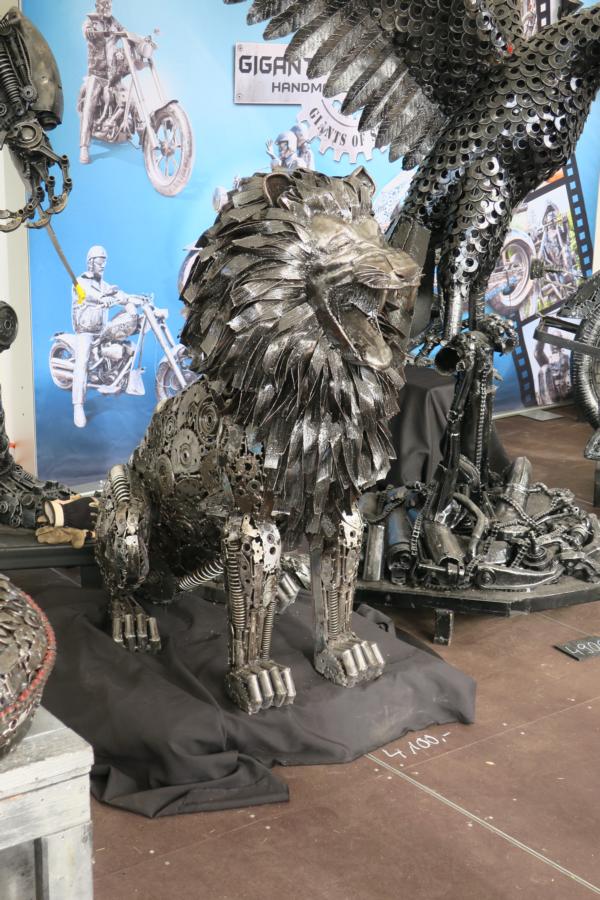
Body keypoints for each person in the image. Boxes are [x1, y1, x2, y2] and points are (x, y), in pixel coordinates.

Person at [71, 245, 138, 427]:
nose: (103, 265)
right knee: (82, 362)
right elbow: (86, 294)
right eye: (100, 261)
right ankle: (78, 405)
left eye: (104, 261)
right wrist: (102, 298)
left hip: (101, 330)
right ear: (90, 262)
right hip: (86, 330)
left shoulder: (105, 285)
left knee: (121, 341)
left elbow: (120, 294)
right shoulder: (80, 282)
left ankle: (114, 378)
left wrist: (133, 300)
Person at [78, 0, 124, 164]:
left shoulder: (113, 21)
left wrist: (131, 41)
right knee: (89, 105)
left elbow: (124, 32)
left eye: (109, 3)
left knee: (125, 98)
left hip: (112, 72)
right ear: (98, 5)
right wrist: (90, 31)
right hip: (97, 73)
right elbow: (86, 31)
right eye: (105, 3)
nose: (108, 6)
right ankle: (84, 146)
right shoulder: (90, 21)